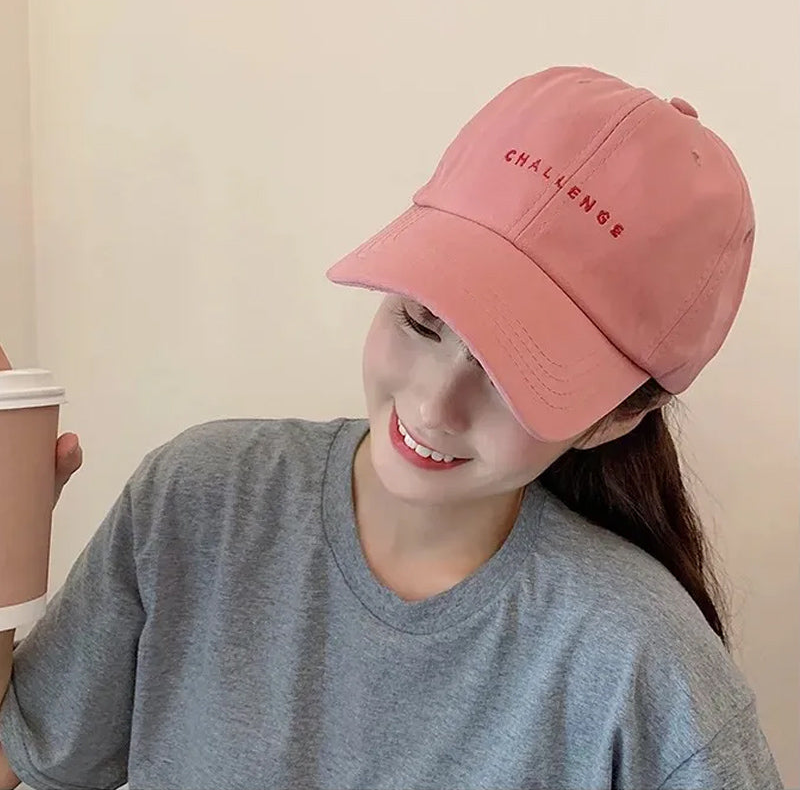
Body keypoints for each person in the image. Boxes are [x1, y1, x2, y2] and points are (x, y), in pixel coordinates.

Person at [0, 66, 785, 789]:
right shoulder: (200, 502)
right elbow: (19, 762)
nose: (434, 406)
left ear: (619, 417)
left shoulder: (643, 660)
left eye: (515, 374)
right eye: (421, 319)